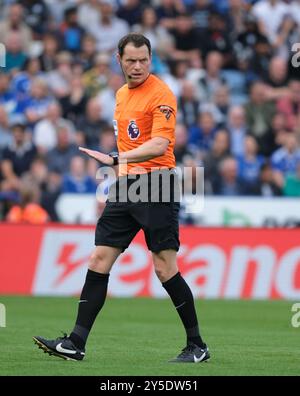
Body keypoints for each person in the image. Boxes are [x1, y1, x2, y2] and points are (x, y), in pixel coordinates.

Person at [33, 33, 209, 364]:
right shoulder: (120, 94)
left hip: (157, 185)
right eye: (131, 60)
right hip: (126, 187)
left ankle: (197, 345)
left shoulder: (162, 94)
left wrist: (116, 160)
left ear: (151, 59)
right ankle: (76, 342)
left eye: (144, 59)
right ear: (119, 60)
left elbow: (160, 145)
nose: (138, 66)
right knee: (99, 260)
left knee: (164, 268)